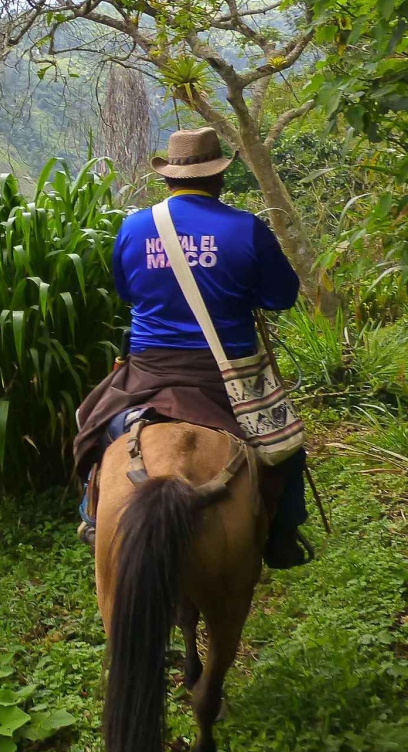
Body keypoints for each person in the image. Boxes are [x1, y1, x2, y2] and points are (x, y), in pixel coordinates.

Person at [73, 126, 312, 569]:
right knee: (287, 446)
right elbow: (282, 296)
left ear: (167, 180)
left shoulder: (133, 228)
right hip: (229, 373)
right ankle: (283, 535)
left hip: (148, 370)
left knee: (90, 421)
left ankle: (91, 515)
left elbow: (127, 292)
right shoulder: (247, 229)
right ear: (219, 178)